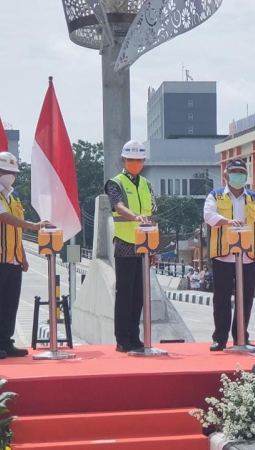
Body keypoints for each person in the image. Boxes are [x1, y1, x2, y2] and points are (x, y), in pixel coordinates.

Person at [0, 152, 48, 360]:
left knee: (10, 302)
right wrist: (33, 226)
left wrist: (23, 256)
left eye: (13, 172)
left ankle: (5, 343)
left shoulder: (13, 196)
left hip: (12, 258)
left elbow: (15, 230)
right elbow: (3, 218)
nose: (11, 175)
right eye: (7, 171)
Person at [203, 158, 255, 351]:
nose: (238, 176)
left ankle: (241, 336)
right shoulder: (215, 196)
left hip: (248, 256)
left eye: (241, 173)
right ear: (226, 176)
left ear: (246, 176)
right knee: (221, 298)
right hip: (224, 255)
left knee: (246, 298)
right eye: (234, 173)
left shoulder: (254, 199)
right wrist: (227, 221)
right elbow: (208, 215)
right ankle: (220, 338)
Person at [104, 140, 158, 353]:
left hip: (144, 245)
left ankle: (135, 337)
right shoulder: (115, 183)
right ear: (123, 160)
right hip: (126, 243)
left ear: (143, 161)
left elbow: (152, 214)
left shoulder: (146, 184)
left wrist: (153, 248)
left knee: (140, 294)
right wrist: (135, 216)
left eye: (138, 160)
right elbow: (117, 206)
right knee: (125, 292)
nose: (135, 163)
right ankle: (122, 339)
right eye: (131, 160)